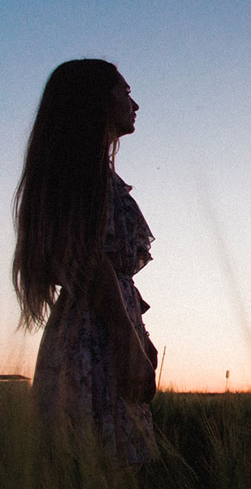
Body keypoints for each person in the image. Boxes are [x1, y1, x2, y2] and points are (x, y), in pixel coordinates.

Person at [12, 59, 158, 465]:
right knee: (100, 464)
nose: (135, 104)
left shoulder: (91, 173)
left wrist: (138, 332)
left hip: (105, 327)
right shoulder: (80, 173)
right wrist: (125, 338)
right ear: (95, 101)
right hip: (95, 338)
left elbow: (107, 269)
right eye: (124, 92)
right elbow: (90, 263)